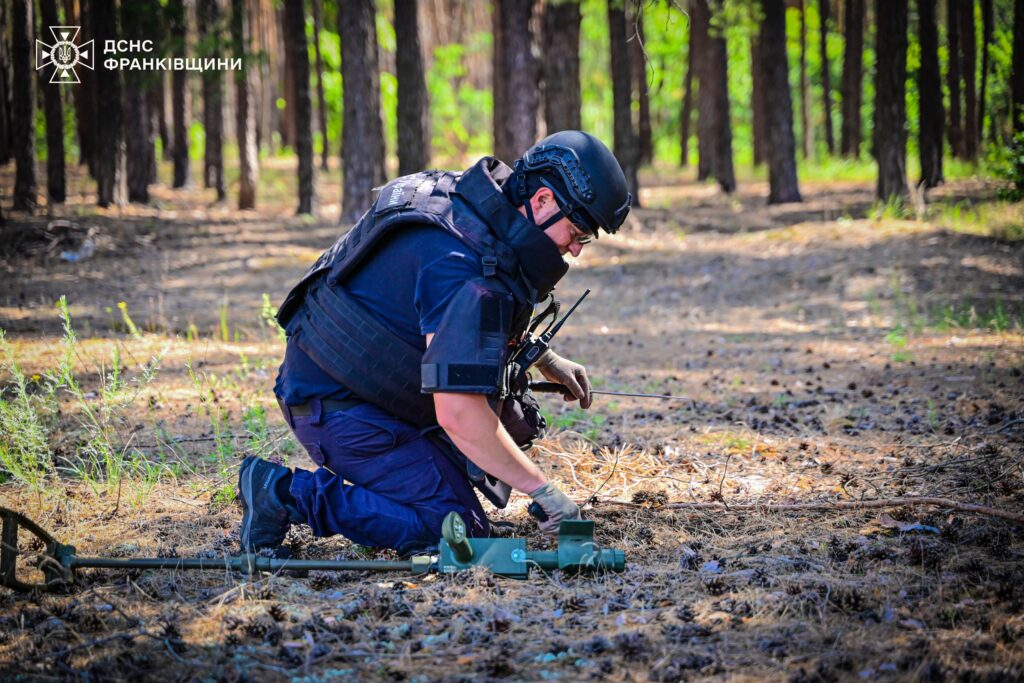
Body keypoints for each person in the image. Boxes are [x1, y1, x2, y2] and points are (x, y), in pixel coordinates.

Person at [238, 130, 631, 556]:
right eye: (576, 232)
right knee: (452, 530)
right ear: (542, 201)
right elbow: (459, 412)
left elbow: (431, 314)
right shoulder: (464, 266)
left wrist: (544, 357)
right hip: (335, 405)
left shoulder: (470, 208)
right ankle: (282, 494)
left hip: (357, 384)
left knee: (497, 441)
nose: (574, 250)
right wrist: (545, 492)